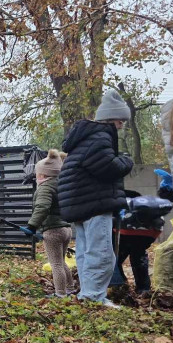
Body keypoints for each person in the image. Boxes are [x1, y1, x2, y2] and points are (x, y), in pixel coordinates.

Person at [58, 88, 134, 307]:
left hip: (79, 204)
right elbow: (107, 168)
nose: (121, 128)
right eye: (121, 123)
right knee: (101, 253)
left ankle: (89, 294)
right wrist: (126, 161)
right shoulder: (100, 137)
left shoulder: (84, 139)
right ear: (114, 120)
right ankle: (94, 297)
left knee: (85, 251)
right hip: (94, 204)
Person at [22, 150, 74, 296]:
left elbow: (42, 207)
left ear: (43, 175)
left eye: (37, 174)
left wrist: (32, 226)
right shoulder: (62, 184)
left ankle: (60, 293)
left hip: (53, 230)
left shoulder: (45, 187)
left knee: (55, 264)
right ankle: (70, 289)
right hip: (66, 228)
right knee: (62, 261)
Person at [110, 190, 171, 295]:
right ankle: (144, 289)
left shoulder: (120, 203)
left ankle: (119, 285)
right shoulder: (150, 207)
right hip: (150, 233)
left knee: (115, 259)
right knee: (138, 255)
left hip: (125, 232)